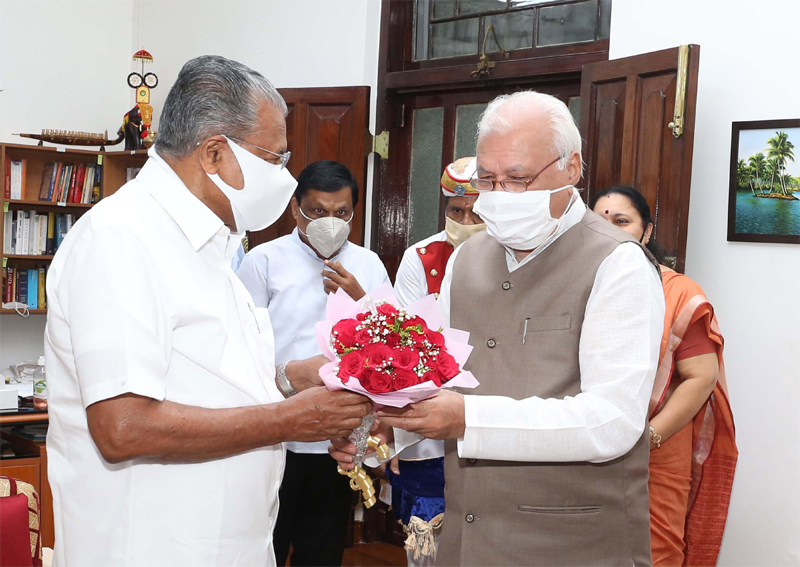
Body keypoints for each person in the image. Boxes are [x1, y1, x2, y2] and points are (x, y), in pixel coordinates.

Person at [44, 55, 371, 567]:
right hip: (150, 547)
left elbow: (208, 377)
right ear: (214, 153)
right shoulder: (122, 239)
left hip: (223, 543)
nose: (284, 177)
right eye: (275, 160)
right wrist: (289, 419)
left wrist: (288, 379)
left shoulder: (212, 242)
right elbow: (122, 427)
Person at [332, 90, 666, 566]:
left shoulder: (619, 264)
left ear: (571, 169)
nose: (499, 195)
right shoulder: (466, 260)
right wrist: (384, 433)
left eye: (518, 179)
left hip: (572, 544)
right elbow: (440, 383)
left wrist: (467, 419)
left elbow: (611, 422)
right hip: (468, 540)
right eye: (488, 179)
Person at [236, 159, 390, 567]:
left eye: (341, 213)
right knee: (262, 547)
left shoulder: (369, 265)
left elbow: (395, 344)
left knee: (321, 552)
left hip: (336, 440)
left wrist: (362, 299)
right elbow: (241, 349)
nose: (330, 222)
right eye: (318, 212)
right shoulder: (262, 262)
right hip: (273, 435)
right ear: (295, 209)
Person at [590, 185, 738, 566]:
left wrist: (648, 438)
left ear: (647, 232)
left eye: (622, 221)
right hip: (584, 446)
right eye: (599, 222)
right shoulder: (575, 285)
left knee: (654, 553)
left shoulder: (677, 291)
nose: (610, 231)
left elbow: (701, 377)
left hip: (655, 447)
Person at [388, 157, 484, 566]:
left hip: (492, 408)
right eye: (455, 211)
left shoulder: (521, 257)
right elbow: (406, 344)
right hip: (429, 410)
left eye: (475, 211)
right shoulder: (420, 257)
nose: (464, 219)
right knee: (428, 541)